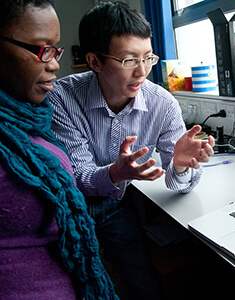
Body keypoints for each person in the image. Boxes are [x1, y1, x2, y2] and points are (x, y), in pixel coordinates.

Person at [49, 1, 215, 298]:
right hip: (69, 205)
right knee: (72, 282)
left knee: (141, 282)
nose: (142, 72)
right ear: (94, 61)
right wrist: (114, 174)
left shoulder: (162, 104)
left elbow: (179, 184)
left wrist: (179, 165)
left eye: (148, 58)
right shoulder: (62, 97)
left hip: (116, 205)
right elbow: (76, 177)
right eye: (129, 60)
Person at [0, 0, 118, 299]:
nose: (53, 63)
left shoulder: (33, 117)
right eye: (41, 49)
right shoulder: (62, 100)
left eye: (56, 49)